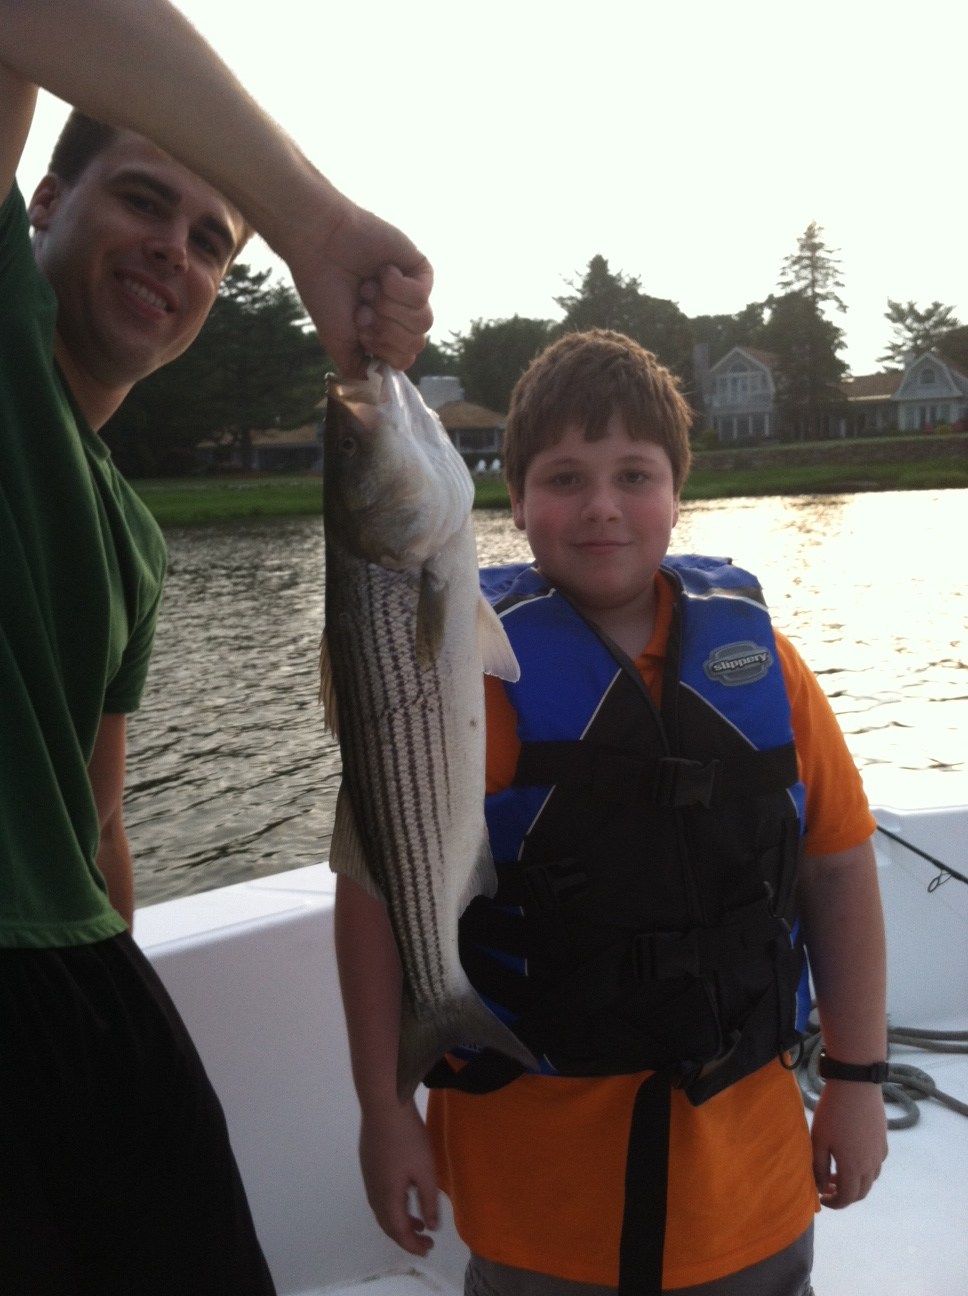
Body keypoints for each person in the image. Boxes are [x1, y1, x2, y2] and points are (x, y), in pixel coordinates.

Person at [0, 2, 431, 1290]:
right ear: (45, 204)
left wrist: (124, 1001)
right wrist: (311, 221)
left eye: (211, 243)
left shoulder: (132, 532)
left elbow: (102, 819)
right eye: (142, 200)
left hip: (84, 996)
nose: (174, 254)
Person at [335, 330, 889, 1296]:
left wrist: (858, 1079)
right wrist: (387, 1110)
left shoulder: (772, 672)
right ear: (512, 498)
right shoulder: (446, 684)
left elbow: (838, 871)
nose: (601, 507)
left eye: (635, 474)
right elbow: (377, 896)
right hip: (534, 1196)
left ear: (679, 492)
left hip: (749, 1181)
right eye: (564, 478)